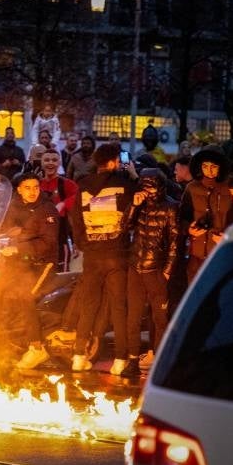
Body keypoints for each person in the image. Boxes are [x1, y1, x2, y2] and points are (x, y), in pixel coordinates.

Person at [68, 143, 135, 375]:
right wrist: (131, 170)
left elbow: (75, 218)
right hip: (117, 255)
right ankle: (120, 360)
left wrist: (83, 244)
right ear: (115, 161)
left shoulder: (83, 185)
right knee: (119, 307)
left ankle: (78, 356)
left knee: (88, 306)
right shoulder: (126, 185)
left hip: (93, 256)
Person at [0, 172, 60, 370]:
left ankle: (36, 347)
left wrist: (18, 248)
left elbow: (48, 243)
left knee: (24, 295)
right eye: (27, 188)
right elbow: (3, 228)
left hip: (42, 263)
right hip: (18, 263)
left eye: (35, 187)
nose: (32, 192)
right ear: (19, 190)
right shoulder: (12, 206)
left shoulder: (47, 210)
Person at [125, 168, 183, 374]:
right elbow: (125, 227)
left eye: (151, 186)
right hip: (136, 266)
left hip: (156, 269)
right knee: (133, 315)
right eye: (144, 185)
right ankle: (132, 359)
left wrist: (167, 271)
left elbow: (176, 243)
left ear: (160, 186)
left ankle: (158, 359)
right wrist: (134, 205)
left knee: (160, 317)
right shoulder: (138, 203)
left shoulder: (171, 207)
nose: (148, 191)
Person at [179, 147, 233, 283]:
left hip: (220, 255)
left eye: (213, 166)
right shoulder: (192, 188)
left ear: (221, 167)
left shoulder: (230, 188)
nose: (209, 170)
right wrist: (189, 229)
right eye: (205, 166)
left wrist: (228, 236)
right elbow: (182, 216)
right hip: (195, 256)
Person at [38, 148, 79, 272]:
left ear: (59, 163)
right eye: (47, 160)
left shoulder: (68, 184)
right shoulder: (35, 184)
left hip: (60, 239)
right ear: (41, 163)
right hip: (39, 237)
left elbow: (79, 200)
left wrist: (63, 204)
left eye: (54, 160)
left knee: (60, 272)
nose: (50, 163)